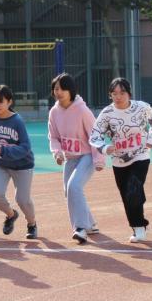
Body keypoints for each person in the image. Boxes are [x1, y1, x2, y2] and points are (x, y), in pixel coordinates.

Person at [90, 77, 152, 242]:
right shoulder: (107, 113)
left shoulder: (141, 107)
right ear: (110, 95)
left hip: (140, 154)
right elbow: (94, 135)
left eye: (122, 93)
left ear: (129, 93)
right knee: (127, 195)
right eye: (114, 93)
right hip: (118, 160)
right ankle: (138, 225)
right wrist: (105, 148)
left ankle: (139, 228)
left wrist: (151, 139)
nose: (118, 96)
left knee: (133, 188)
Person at [47, 73, 104, 244]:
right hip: (70, 158)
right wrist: (57, 152)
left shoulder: (82, 110)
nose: (59, 92)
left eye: (62, 89)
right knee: (69, 191)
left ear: (71, 90)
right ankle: (90, 224)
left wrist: (99, 159)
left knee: (74, 186)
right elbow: (53, 136)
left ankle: (80, 228)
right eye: (56, 89)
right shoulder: (54, 112)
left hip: (87, 156)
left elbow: (95, 135)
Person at [0, 84, 38, 239]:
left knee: (22, 200)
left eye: (1, 101)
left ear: (9, 102)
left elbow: (26, 147)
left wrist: (4, 151)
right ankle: (11, 215)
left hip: (22, 165)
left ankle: (31, 224)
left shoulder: (17, 121)